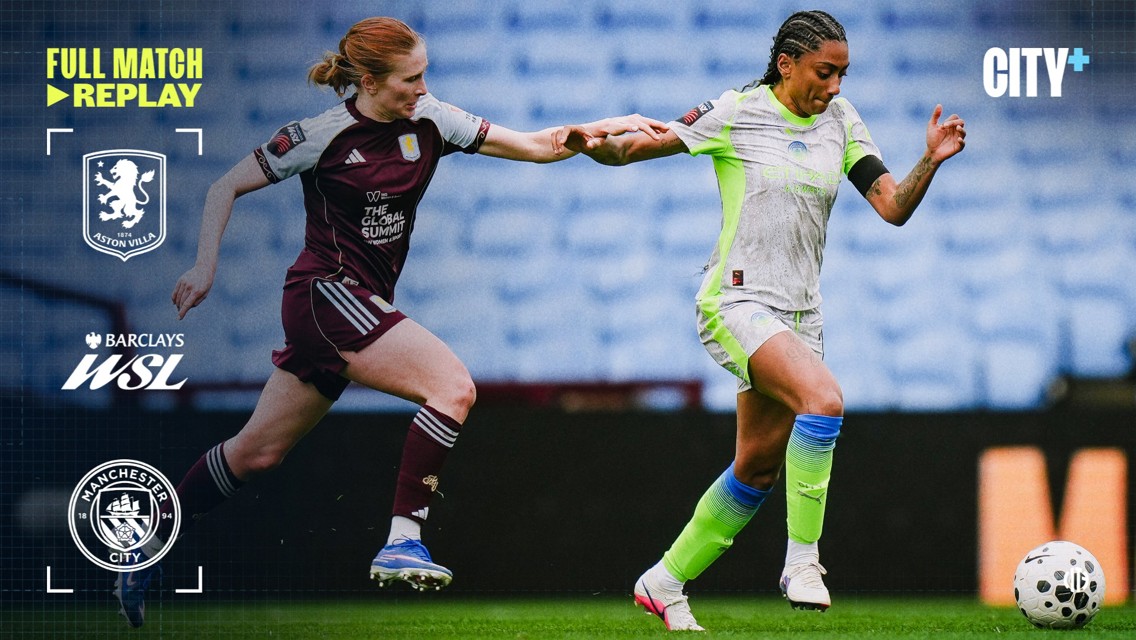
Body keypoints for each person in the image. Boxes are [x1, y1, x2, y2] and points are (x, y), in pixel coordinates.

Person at [112, 16, 666, 628]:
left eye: (425, 73)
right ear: (370, 82)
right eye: (411, 78)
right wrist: (203, 266)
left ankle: (143, 546)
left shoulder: (433, 118)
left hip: (355, 304)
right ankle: (404, 537)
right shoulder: (320, 135)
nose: (421, 87)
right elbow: (224, 187)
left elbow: (537, 147)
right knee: (452, 387)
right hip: (326, 294)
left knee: (257, 452)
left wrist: (607, 125)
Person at [555, 10, 965, 632]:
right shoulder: (737, 111)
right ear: (787, 64)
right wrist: (592, 146)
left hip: (802, 315)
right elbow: (641, 146)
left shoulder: (843, 121)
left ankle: (663, 582)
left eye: (843, 74)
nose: (834, 86)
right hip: (738, 303)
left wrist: (929, 160)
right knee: (822, 402)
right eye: (825, 73)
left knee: (757, 467)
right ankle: (803, 562)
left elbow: (891, 207)